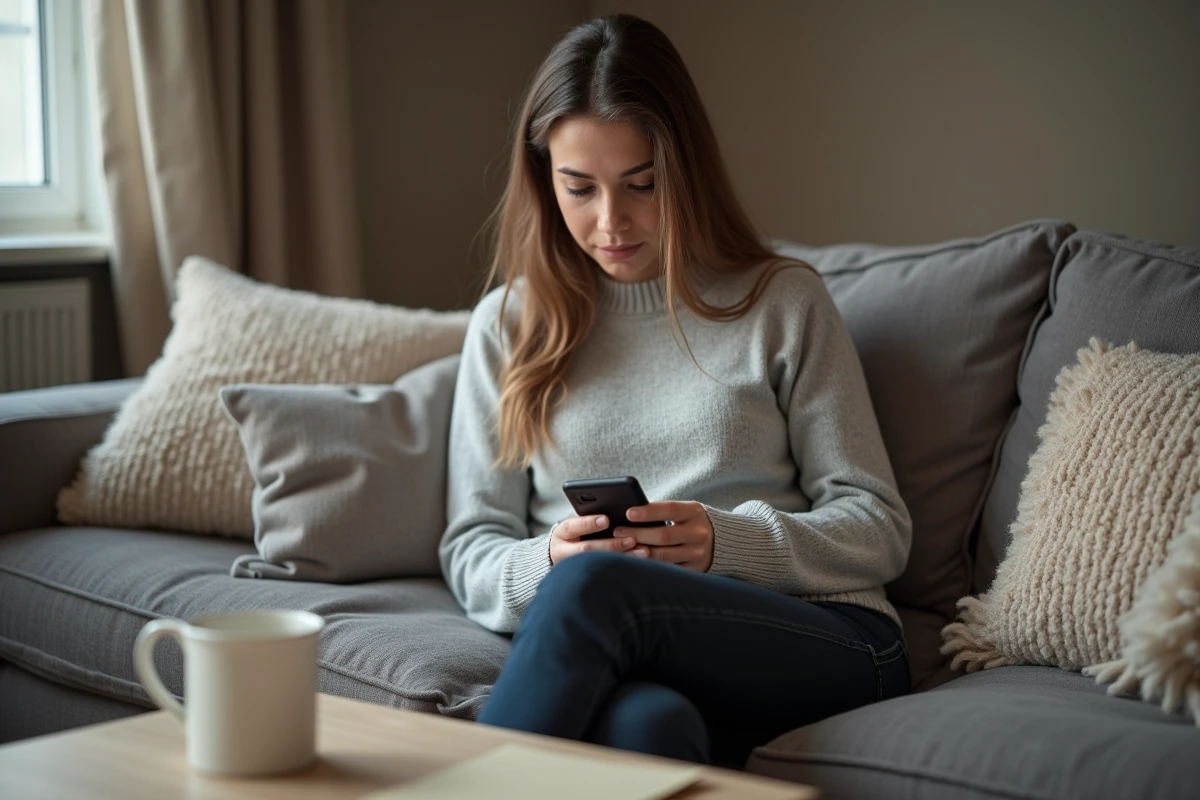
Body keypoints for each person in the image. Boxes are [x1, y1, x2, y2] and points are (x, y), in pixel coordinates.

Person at [440, 13, 912, 768]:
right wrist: (550, 561)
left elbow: (880, 527)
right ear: (544, 180)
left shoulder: (782, 302)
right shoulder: (508, 326)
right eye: (579, 188)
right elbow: (471, 548)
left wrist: (726, 542)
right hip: (632, 644)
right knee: (648, 733)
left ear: (683, 169)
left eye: (641, 185)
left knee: (600, 587)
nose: (610, 222)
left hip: (826, 639)